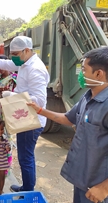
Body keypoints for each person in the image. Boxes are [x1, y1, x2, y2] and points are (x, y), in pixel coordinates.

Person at [27, 46, 108, 203]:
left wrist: (104, 188)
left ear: (98, 74)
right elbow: (67, 118)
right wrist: (40, 110)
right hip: (83, 180)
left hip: (99, 187)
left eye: (83, 70)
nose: (81, 75)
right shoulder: (88, 97)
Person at [0, 36, 50, 192]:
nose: (14, 57)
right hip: (25, 117)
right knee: (25, 156)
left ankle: (28, 190)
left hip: (32, 121)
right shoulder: (24, 63)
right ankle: (26, 186)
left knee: (26, 157)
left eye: (16, 53)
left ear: (27, 51)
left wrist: (13, 96)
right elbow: (6, 63)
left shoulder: (35, 69)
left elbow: (40, 101)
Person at [0, 55, 16, 120]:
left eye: (1, 67)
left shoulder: (14, 78)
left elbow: (17, 93)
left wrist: (6, 91)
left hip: (8, 105)